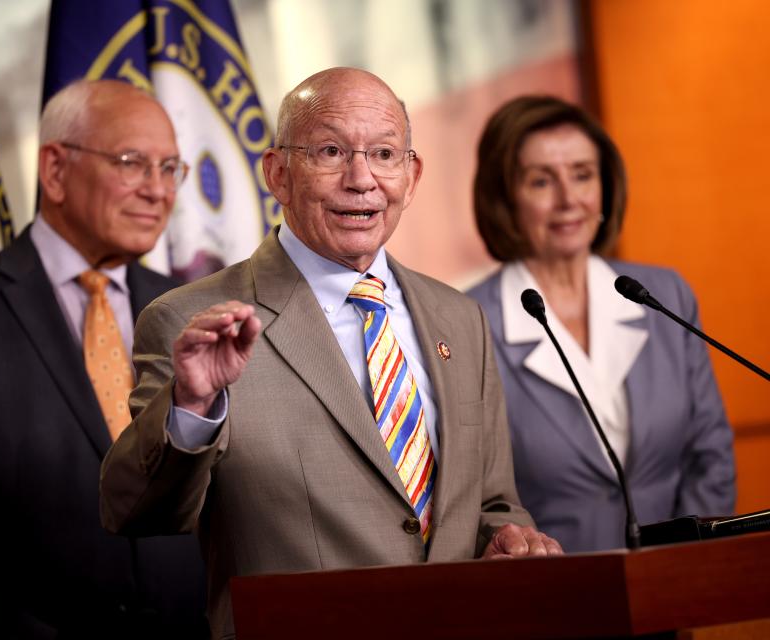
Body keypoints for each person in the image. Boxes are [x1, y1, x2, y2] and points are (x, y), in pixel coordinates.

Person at [100, 67, 562, 640]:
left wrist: (511, 539)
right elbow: (135, 511)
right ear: (278, 173)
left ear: (411, 176)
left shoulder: (459, 318)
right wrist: (193, 407)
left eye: (385, 154)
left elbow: (493, 504)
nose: (362, 179)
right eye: (330, 151)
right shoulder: (191, 321)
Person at [0, 80, 208, 638]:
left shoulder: (192, 310)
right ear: (55, 171)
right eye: (132, 163)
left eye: (170, 168)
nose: (158, 190)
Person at [466, 95, 736, 552]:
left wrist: (682, 563)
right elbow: (472, 498)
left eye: (582, 175)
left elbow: (710, 453)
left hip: (676, 586)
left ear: (605, 187)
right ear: (504, 199)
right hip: (553, 598)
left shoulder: (664, 295)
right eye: (541, 181)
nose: (569, 199)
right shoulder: (466, 323)